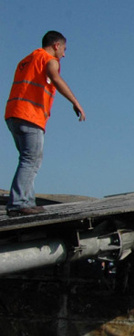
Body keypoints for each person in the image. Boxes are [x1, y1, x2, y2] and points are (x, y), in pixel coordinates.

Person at [5, 31, 86, 217]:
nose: (64, 54)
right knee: (31, 160)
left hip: (13, 114)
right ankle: (18, 203)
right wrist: (75, 102)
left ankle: (27, 201)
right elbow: (55, 78)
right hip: (30, 115)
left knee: (28, 160)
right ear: (56, 45)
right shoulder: (49, 59)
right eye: (64, 49)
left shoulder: (27, 59)